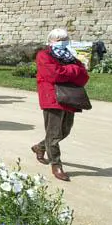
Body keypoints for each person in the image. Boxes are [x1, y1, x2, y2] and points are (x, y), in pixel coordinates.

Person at [31, 28, 89, 182]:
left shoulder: (71, 57)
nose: (62, 42)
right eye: (58, 39)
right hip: (52, 98)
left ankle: (40, 147)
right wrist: (73, 71)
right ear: (50, 41)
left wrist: (68, 70)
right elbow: (53, 74)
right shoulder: (44, 55)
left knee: (65, 131)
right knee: (54, 134)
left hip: (69, 98)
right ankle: (56, 165)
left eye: (64, 38)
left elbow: (84, 77)